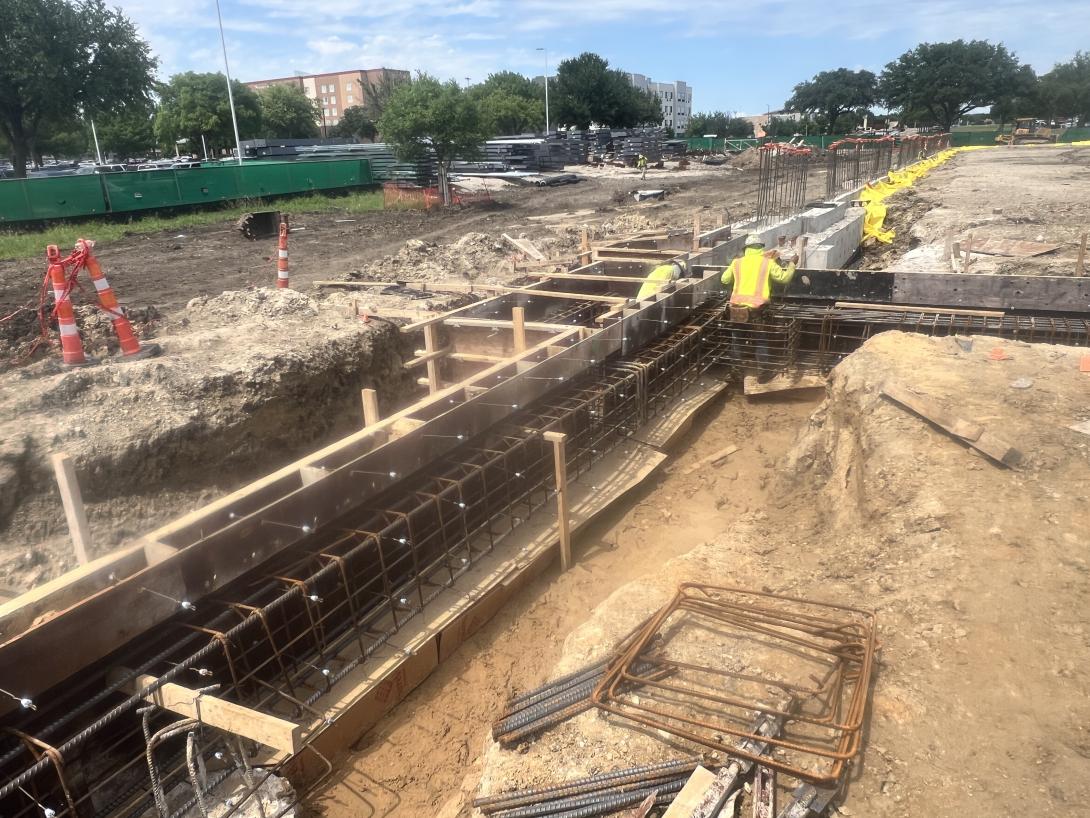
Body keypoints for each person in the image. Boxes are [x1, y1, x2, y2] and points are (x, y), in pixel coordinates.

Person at [720, 234, 798, 379]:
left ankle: (736, 373)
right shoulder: (767, 263)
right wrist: (792, 264)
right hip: (757, 310)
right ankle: (763, 374)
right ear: (762, 248)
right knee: (760, 339)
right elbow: (784, 278)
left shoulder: (737, 262)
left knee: (736, 340)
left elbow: (724, 280)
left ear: (746, 249)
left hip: (736, 309)